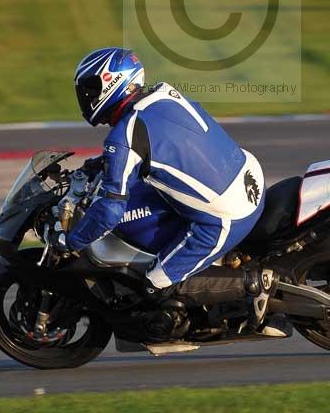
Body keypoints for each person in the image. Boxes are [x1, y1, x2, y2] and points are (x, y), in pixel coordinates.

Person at [50, 47, 272, 331]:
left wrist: (71, 242)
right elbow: (151, 149)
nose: (87, 97)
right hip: (249, 175)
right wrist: (94, 167)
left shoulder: (123, 137)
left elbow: (109, 211)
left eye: (92, 88)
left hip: (226, 218)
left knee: (154, 285)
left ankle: (251, 285)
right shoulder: (163, 94)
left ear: (114, 82)